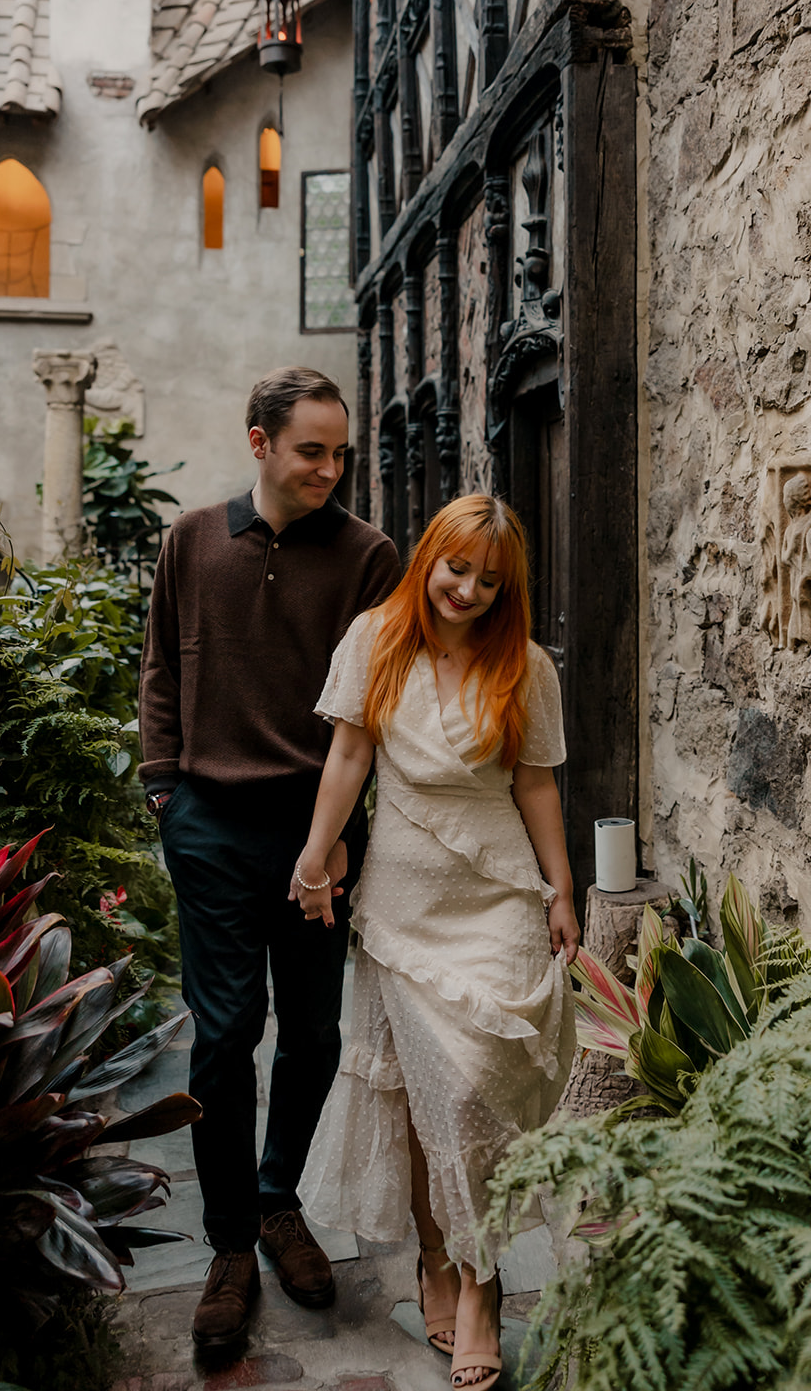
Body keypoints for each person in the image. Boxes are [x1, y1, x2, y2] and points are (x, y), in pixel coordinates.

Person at [290, 493, 579, 1391]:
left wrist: (560, 886)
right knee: (425, 1104)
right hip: (403, 903)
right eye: (458, 569)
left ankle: (484, 1287)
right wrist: (313, 858)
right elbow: (345, 758)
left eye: (490, 581)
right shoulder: (374, 640)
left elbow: (534, 786)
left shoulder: (525, 666)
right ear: (428, 559)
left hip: (494, 895)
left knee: (471, 1097)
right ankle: (438, 1262)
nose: (469, 591)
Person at [138, 366, 400, 1351]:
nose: (329, 469)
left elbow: (372, 708)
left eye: (340, 453)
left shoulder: (368, 556)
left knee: (312, 1033)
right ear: (258, 440)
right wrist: (164, 787)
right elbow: (160, 662)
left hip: (319, 827)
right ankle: (228, 1246)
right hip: (207, 820)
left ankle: (278, 1197)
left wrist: (330, 840)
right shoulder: (190, 541)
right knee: (220, 1034)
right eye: (310, 450)